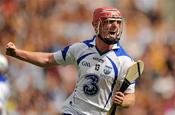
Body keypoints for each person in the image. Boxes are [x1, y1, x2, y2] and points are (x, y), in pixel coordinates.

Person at [6, 7, 136, 115]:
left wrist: (123, 101)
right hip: (72, 111)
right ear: (96, 25)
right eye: (109, 21)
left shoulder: (125, 60)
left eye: (118, 22)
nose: (115, 26)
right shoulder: (80, 49)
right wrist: (17, 53)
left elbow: (130, 96)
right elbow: (48, 59)